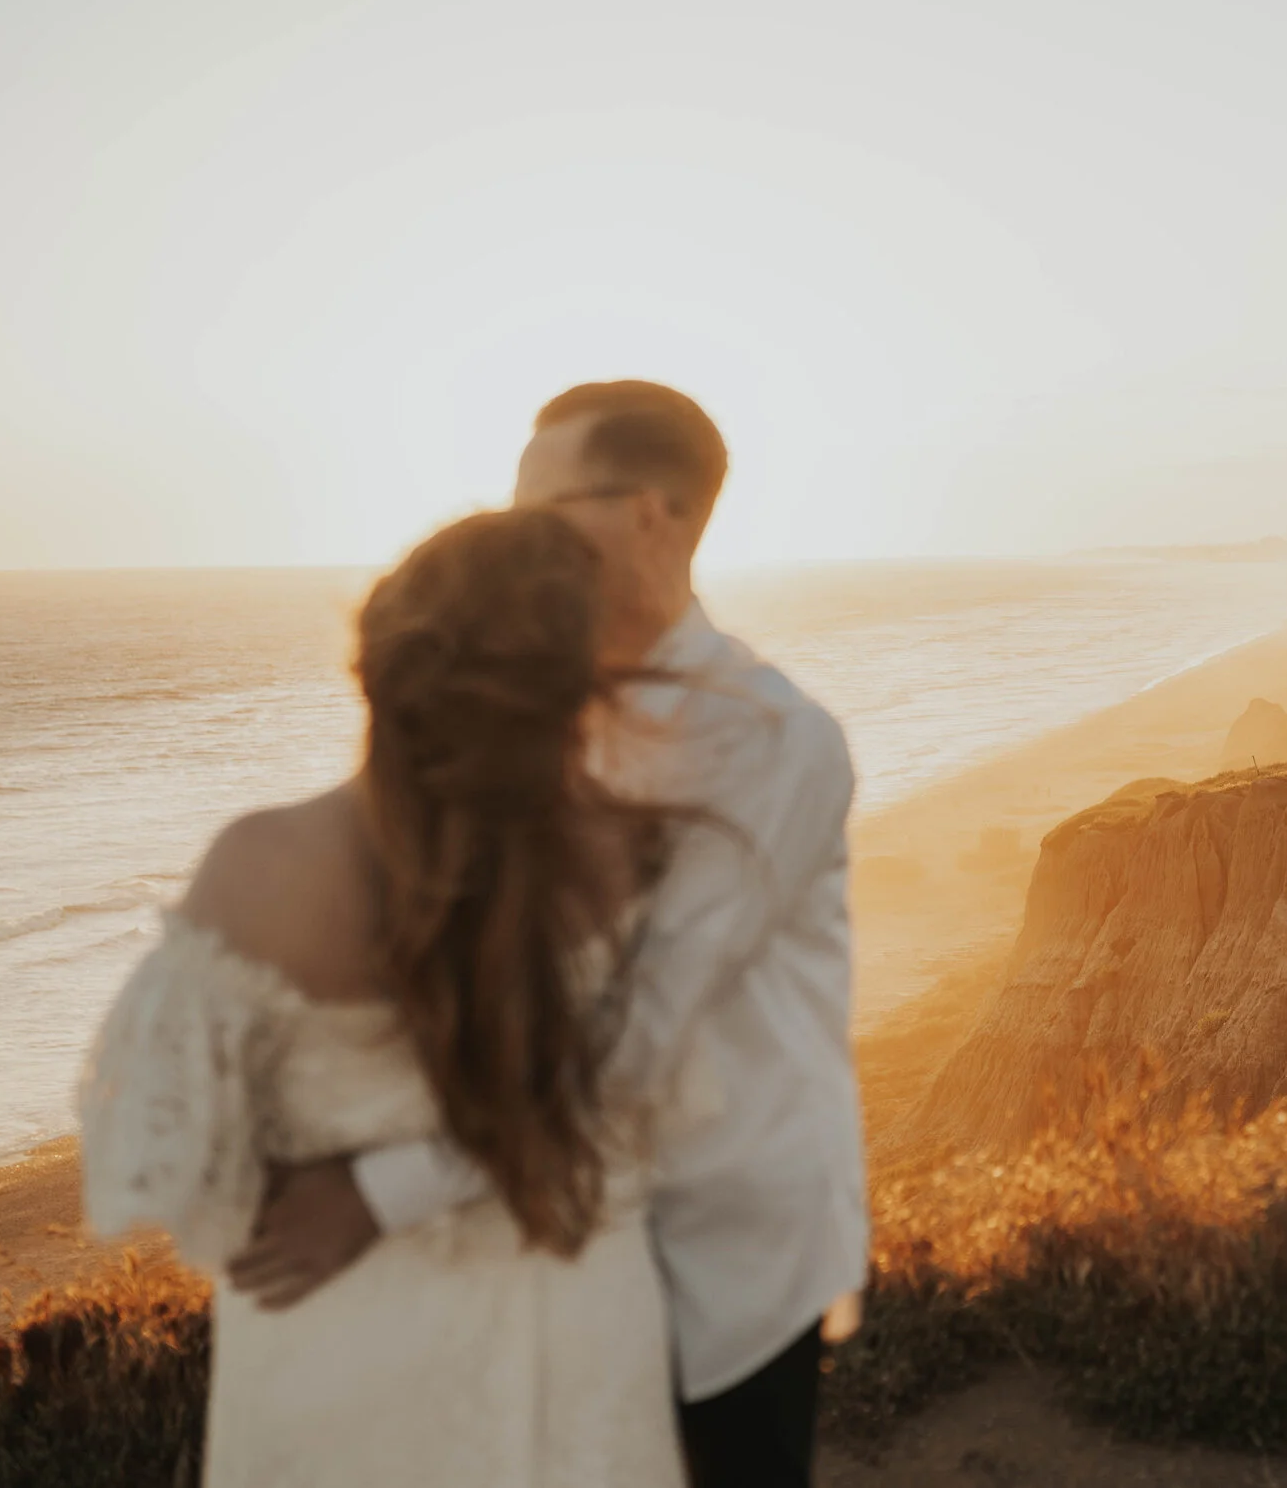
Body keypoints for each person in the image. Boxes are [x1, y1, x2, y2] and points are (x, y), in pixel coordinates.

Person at [226, 381, 866, 1488]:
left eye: (543, 511)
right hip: (549, 1234)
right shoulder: (525, 714)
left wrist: (376, 1195)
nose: (517, 540)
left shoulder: (775, 742)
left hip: (726, 1250)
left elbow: (631, 1041)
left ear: (649, 515)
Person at [81, 506, 688, 1486]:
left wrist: (358, 1186)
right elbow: (645, 1086)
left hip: (346, 1343)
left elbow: (181, 1172)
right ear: (580, 689)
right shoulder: (633, 846)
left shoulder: (264, 866)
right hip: (578, 1315)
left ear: (375, 661)